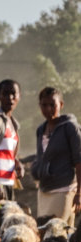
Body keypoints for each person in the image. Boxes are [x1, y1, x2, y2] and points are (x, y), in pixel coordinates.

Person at [31, 86, 81, 226]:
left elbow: (79, 160)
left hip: (64, 190)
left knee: (55, 231)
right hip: (44, 191)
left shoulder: (70, 127)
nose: (48, 109)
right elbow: (42, 156)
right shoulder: (41, 129)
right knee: (46, 232)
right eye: (44, 105)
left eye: (52, 105)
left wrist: (79, 194)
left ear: (61, 105)